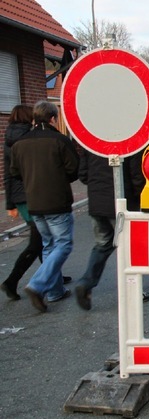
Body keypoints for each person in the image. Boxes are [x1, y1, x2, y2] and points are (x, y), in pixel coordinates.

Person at [10, 101, 79, 313]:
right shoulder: (59, 140)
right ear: (52, 118)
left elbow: (15, 172)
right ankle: (38, 285)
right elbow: (73, 169)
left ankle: (55, 291)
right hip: (56, 200)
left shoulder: (20, 143)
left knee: (49, 244)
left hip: (34, 202)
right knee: (64, 244)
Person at [74, 147, 149, 310]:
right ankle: (134, 290)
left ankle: (85, 282)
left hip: (97, 203)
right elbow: (136, 176)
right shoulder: (129, 142)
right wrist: (141, 200)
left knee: (102, 244)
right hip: (123, 204)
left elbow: (83, 175)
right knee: (129, 249)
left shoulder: (93, 143)